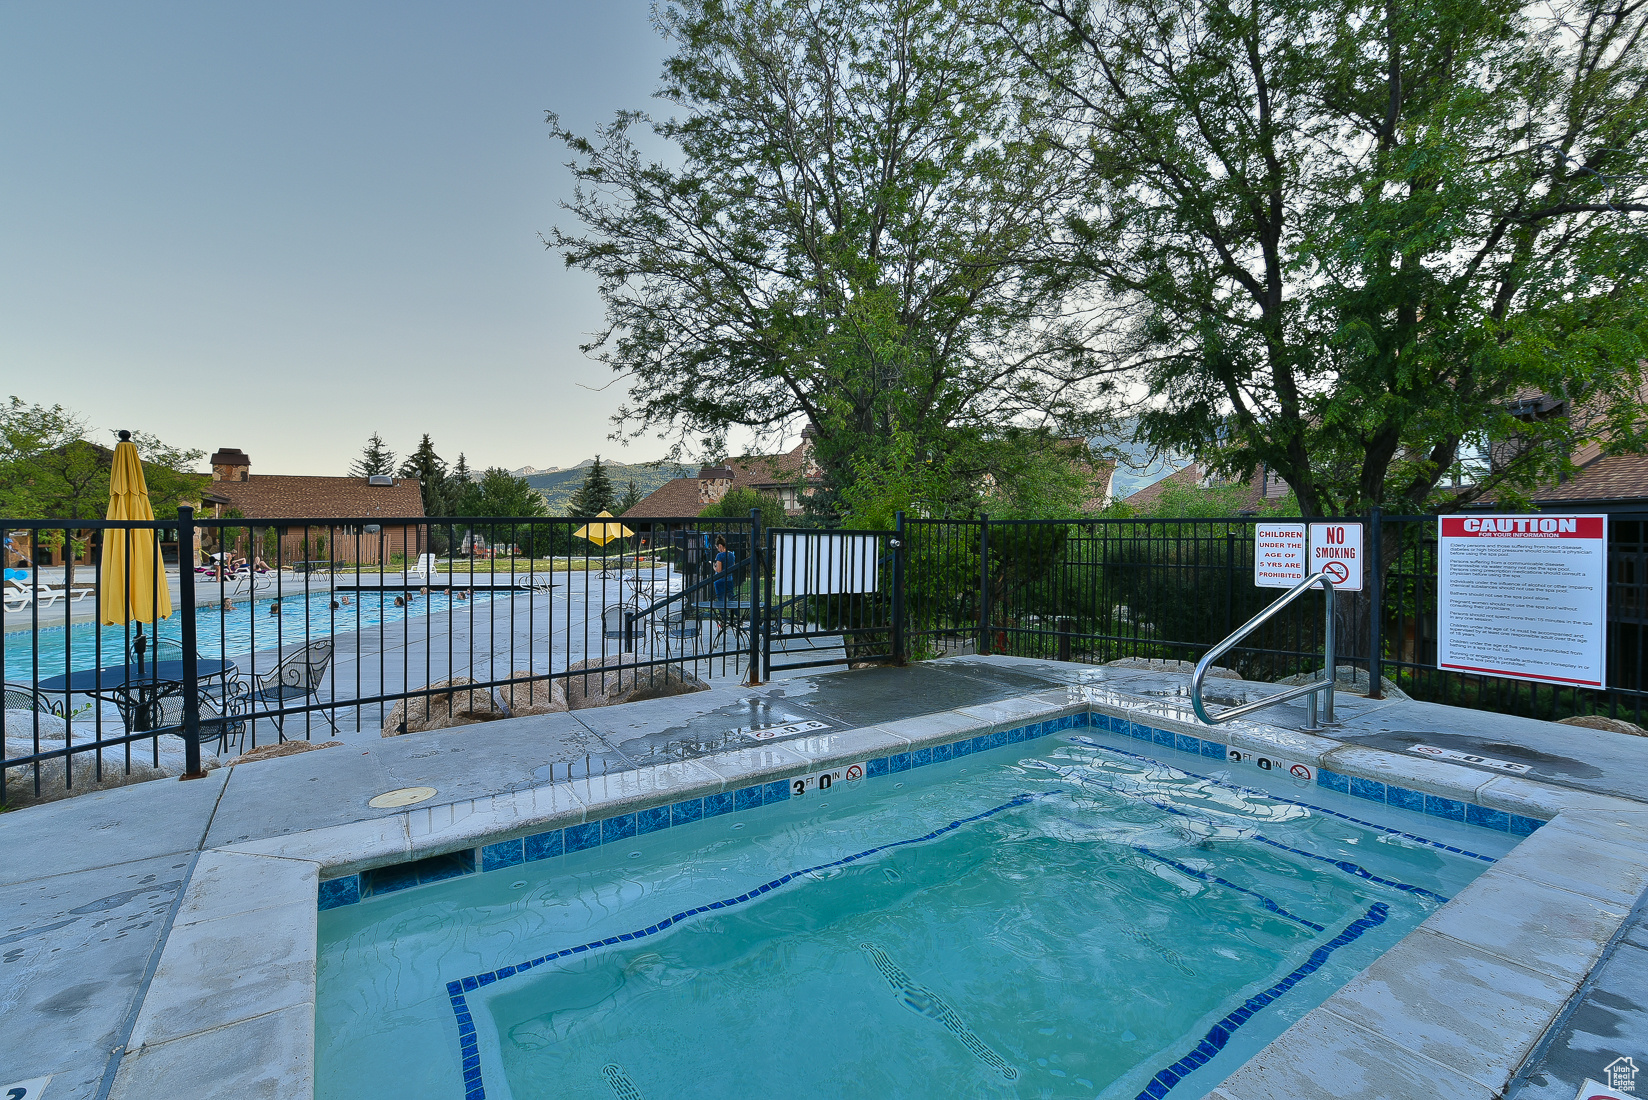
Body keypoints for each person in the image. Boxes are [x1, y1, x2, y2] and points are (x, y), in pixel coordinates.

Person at [712, 536, 736, 608]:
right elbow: (733, 565)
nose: (718, 550)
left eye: (717, 548)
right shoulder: (731, 554)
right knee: (731, 597)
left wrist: (714, 566)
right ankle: (735, 613)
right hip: (729, 579)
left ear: (720, 546)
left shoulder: (720, 555)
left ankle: (723, 616)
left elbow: (719, 570)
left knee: (721, 599)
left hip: (720, 580)